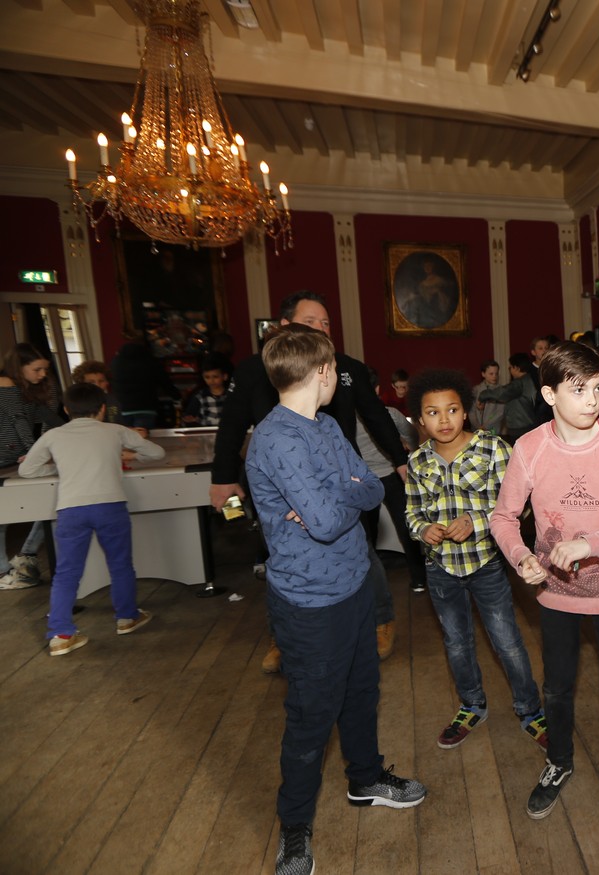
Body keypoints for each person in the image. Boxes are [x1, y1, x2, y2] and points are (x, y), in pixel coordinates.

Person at [244, 324, 426, 875]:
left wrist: (331, 499)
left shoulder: (324, 425)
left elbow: (370, 487)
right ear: (323, 372)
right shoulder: (276, 439)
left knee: (362, 692)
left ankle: (365, 779)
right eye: (336, 372)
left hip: (354, 583)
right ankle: (294, 828)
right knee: (311, 717)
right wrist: (336, 498)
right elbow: (327, 521)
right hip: (309, 603)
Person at [488, 342, 599, 834]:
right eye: (579, 390)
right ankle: (559, 761)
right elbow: (503, 518)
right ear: (549, 394)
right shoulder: (530, 447)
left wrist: (593, 543)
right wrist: (521, 556)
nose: (592, 400)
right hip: (556, 593)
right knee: (557, 688)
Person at [210, 290, 409, 671]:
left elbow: (375, 416)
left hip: (341, 476)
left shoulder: (343, 370)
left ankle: (379, 620)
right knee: (285, 564)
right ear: (286, 326)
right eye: (311, 322)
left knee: (362, 556)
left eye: (326, 322)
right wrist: (222, 477)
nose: (321, 328)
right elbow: (232, 423)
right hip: (288, 490)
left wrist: (396, 462)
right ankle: (283, 638)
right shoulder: (256, 374)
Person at [405, 368, 548, 752]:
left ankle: (530, 709)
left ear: (465, 411)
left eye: (452, 410)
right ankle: (472, 705)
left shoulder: (494, 449)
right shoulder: (418, 462)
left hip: (485, 564)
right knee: (456, 643)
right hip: (440, 568)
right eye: (433, 413)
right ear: (420, 420)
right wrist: (423, 529)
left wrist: (477, 521)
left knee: (507, 642)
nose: (444, 419)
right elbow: (412, 512)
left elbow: (519, 506)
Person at [18, 382, 164, 653]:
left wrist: (59, 469)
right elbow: (157, 452)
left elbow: (26, 470)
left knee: (66, 573)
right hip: (111, 506)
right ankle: (127, 617)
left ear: (66, 409)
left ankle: (61, 635)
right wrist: (131, 455)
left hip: (71, 510)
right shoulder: (115, 430)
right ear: (102, 409)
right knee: (120, 565)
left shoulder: (54, 435)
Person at [356, 368, 427, 596]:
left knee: (367, 535)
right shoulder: (390, 413)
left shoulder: (347, 418)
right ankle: (419, 579)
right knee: (406, 528)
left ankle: (371, 583)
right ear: (377, 389)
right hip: (391, 474)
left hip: (362, 480)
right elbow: (413, 436)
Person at [0, 343, 63, 590]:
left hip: (15, 458)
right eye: (37, 369)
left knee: (48, 501)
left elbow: (50, 418)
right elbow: (17, 420)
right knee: (2, 517)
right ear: (20, 367)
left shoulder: (30, 388)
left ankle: (26, 556)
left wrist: (78, 431)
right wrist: (32, 452)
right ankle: (3, 572)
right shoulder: (5, 383)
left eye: (45, 369)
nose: (43, 374)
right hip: (7, 458)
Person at [110, 330, 176, 429]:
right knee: (143, 437)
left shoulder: (116, 362)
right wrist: (177, 396)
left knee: (124, 437)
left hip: (123, 407)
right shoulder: (150, 361)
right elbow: (165, 382)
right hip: (146, 407)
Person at [478, 352, 538, 444]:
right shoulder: (529, 379)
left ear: (516, 368)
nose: (510, 371)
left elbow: (502, 393)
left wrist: (483, 395)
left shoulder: (519, 383)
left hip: (520, 427)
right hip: (527, 424)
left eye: (510, 368)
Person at [70, 360, 127, 425]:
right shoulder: (78, 403)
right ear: (81, 384)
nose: (97, 385)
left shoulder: (113, 400)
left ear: (107, 382)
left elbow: (119, 424)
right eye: (91, 382)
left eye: (101, 381)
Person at [181, 353, 231, 426]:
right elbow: (188, 415)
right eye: (207, 377)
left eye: (215, 377)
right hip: (205, 430)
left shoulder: (231, 395)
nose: (211, 380)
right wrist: (188, 419)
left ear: (225, 377)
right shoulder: (200, 396)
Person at [470, 359, 505, 435]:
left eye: (496, 374)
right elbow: (471, 411)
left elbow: (500, 412)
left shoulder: (501, 391)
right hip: (476, 430)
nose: (494, 376)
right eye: (491, 374)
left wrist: (486, 426)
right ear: (483, 374)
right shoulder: (476, 390)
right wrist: (478, 426)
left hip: (493, 429)